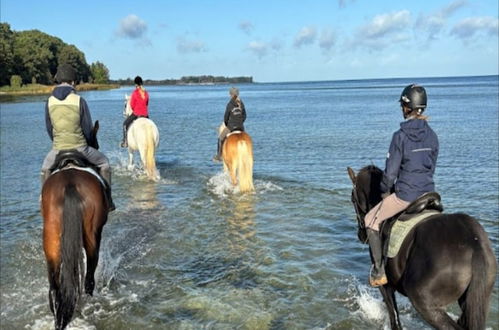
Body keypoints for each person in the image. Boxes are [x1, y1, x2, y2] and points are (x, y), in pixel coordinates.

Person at [364, 84, 439, 287]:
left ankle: (379, 272)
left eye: (402, 106)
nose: (401, 109)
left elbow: (390, 174)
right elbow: (431, 166)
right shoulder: (432, 135)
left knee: (370, 220)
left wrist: (384, 191)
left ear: (407, 107)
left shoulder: (400, 136)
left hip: (406, 195)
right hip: (429, 194)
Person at [41, 64, 115, 211]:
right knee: (105, 164)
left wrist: (58, 143)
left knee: (44, 170)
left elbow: (49, 129)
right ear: (73, 82)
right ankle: (108, 201)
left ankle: (43, 204)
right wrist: (90, 141)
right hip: (80, 148)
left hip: (57, 150)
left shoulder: (49, 102)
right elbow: (87, 129)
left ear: (57, 81)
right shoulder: (79, 100)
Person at [213, 87, 246, 161]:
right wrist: (240, 122)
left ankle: (219, 155)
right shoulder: (241, 103)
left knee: (220, 138)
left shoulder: (230, 104)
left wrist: (227, 124)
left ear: (230, 94)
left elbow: (226, 117)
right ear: (238, 94)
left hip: (231, 127)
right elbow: (244, 115)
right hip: (241, 127)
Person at [121, 76, 149, 147]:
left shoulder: (134, 93)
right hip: (145, 115)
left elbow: (132, 105)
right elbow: (147, 103)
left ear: (136, 84)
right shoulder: (146, 93)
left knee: (124, 124)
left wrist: (136, 110)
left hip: (136, 114)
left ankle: (125, 141)